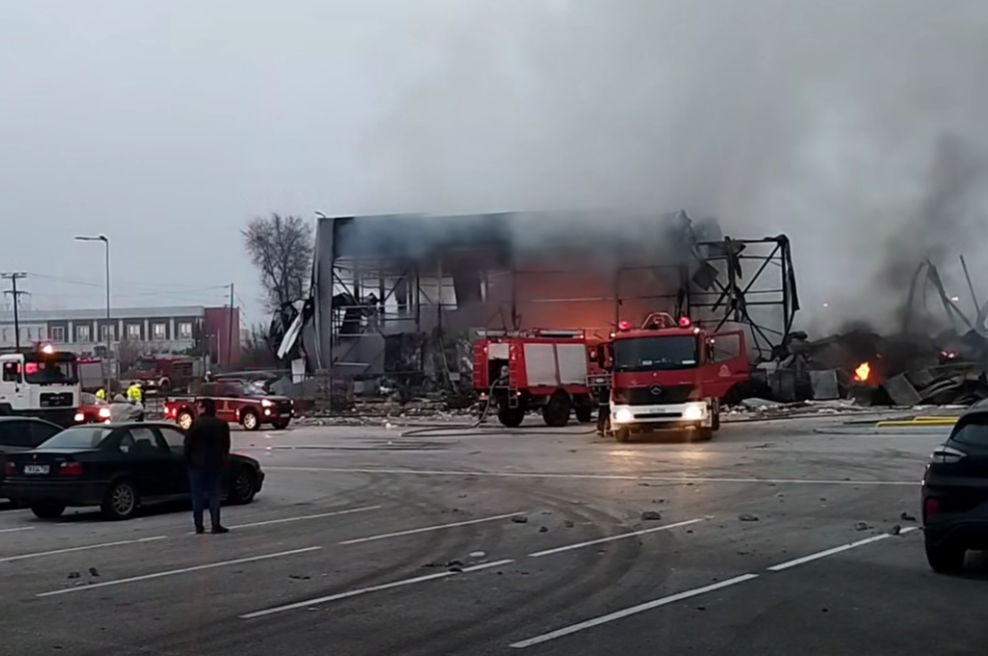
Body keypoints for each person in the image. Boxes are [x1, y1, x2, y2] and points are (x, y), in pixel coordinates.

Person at [183, 398, 231, 534]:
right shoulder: (221, 425)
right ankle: (215, 524)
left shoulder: (195, 424)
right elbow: (225, 446)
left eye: (198, 406)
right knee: (214, 495)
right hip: (215, 464)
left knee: (197, 496)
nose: (197, 409)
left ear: (203, 408)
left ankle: (199, 525)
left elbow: (188, 445)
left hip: (196, 465)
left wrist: (186, 461)